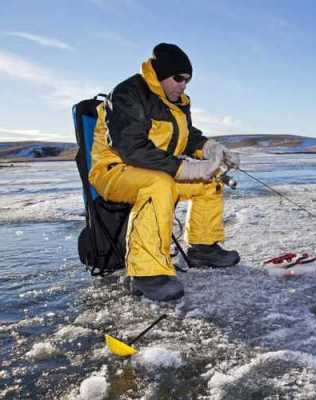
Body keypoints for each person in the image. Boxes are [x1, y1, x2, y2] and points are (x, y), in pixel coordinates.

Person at [88, 43, 240, 301]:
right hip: (115, 171)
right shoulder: (129, 93)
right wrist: (185, 168)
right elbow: (132, 149)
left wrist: (213, 149)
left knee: (210, 182)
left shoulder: (178, 103)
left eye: (188, 80)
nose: (184, 85)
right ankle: (146, 273)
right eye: (178, 78)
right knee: (158, 184)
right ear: (160, 73)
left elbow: (188, 137)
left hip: (156, 169)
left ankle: (203, 248)